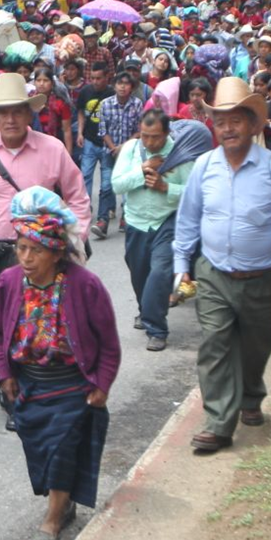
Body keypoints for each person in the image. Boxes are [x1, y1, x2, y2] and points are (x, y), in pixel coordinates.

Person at [172, 77, 271, 453]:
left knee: (255, 347)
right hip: (213, 273)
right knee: (215, 343)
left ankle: (251, 395)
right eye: (221, 121)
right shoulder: (204, 167)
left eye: (236, 120)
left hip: (262, 278)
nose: (228, 128)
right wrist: (181, 265)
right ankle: (219, 422)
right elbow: (188, 220)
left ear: (253, 125)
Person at [0, 74, 90, 426]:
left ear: (30, 114)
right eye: (2, 112)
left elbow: (77, 196)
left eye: (17, 111)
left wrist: (75, 240)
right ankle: (7, 381)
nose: (10, 119)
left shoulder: (52, 150)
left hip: (43, 255)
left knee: (33, 326)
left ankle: (20, 396)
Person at [0, 186, 119, 540]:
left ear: (57, 251)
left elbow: (109, 343)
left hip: (72, 388)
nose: (26, 258)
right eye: (21, 248)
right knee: (42, 453)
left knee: (62, 450)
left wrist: (103, 384)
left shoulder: (85, 285)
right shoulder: (8, 282)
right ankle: (63, 502)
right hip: (30, 386)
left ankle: (51, 520)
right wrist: (5, 374)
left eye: (36, 250)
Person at [112, 109, 192, 351]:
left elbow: (192, 193)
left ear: (166, 134)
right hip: (136, 221)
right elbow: (117, 184)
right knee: (139, 274)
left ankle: (156, 329)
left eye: (155, 137)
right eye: (145, 136)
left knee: (159, 273)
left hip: (166, 222)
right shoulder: (132, 150)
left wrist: (166, 186)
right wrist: (142, 170)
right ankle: (144, 309)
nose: (149, 142)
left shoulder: (181, 154)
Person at [92, 72, 144, 239]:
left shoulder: (137, 104)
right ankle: (102, 221)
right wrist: (114, 147)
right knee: (106, 186)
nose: (122, 86)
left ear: (132, 87)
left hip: (130, 152)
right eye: (119, 83)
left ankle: (126, 218)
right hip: (109, 151)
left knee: (128, 187)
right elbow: (103, 130)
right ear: (114, 86)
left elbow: (140, 130)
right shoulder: (105, 104)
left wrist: (124, 146)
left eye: (126, 83)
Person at [76, 63, 114, 233]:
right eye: (93, 78)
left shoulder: (112, 93)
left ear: (107, 77)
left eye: (99, 78)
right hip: (90, 141)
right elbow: (81, 113)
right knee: (85, 177)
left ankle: (103, 215)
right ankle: (85, 209)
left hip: (107, 143)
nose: (96, 82)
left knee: (107, 182)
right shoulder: (85, 92)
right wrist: (80, 133)